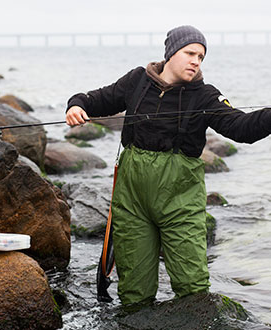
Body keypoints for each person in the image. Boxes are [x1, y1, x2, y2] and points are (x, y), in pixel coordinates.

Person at [65, 25, 271, 305]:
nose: (196, 61)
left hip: (180, 203)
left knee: (192, 287)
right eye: (190, 53)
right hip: (132, 201)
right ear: (172, 52)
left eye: (201, 56)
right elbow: (97, 99)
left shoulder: (205, 96)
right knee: (134, 292)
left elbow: (242, 128)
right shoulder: (137, 80)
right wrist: (76, 106)